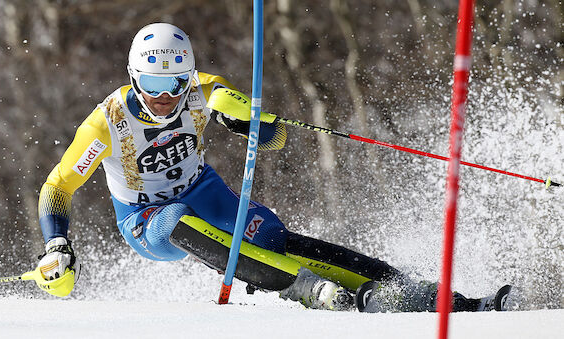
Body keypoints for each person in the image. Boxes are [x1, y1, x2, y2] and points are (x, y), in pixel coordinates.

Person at [35, 23, 495, 312]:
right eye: (151, 84)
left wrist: (248, 123)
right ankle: (304, 289)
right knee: (175, 221)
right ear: (134, 77)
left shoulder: (204, 91)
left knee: (273, 238)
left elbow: (276, 138)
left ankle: (421, 294)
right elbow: (59, 184)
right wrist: (57, 243)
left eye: (174, 83)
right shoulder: (105, 125)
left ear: (187, 77)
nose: (163, 96)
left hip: (203, 191)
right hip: (145, 220)